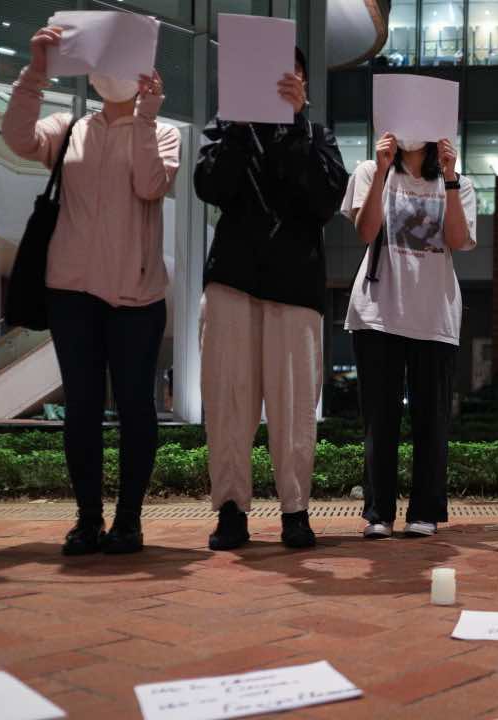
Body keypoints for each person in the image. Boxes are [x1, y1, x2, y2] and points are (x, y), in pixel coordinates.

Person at [1, 26, 180, 556]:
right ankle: (86, 520)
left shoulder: (162, 131)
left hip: (137, 297)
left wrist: (147, 117)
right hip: (72, 292)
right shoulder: (70, 126)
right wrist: (36, 71)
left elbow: (151, 185)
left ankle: (128, 521)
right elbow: (15, 139)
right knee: (80, 409)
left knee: (134, 408)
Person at [195, 47, 349, 551]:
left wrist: (297, 124)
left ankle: (295, 510)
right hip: (232, 280)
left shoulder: (317, 136)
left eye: (294, 76)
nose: (283, 83)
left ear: (304, 84)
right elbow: (210, 185)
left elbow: (324, 200)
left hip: (296, 284)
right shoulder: (225, 126)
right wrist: (240, 128)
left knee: (295, 405)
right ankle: (232, 510)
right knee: (229, 401)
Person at [341, 128, 476, 540]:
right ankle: (378, 512)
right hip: (378, 312)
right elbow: (365, 233)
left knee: (431, 420)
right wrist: (382, 171)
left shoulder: (459, 181)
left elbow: (456, 239)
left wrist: (450, 178)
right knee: (379, 420)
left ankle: (425, 511)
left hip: (434, 314)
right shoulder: (370, 170)